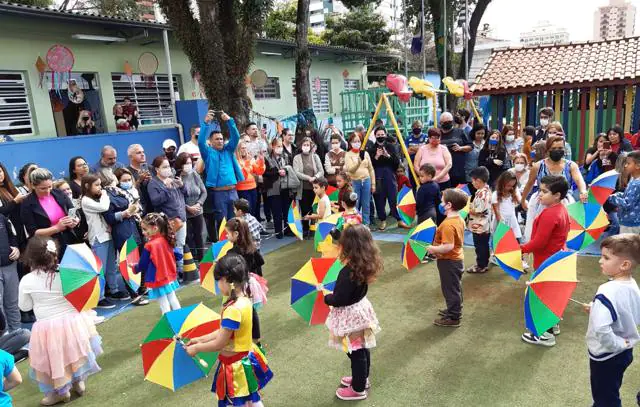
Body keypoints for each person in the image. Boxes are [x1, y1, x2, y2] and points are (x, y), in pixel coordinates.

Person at [18, 237, 102, 405]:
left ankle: (59, 392)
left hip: (47, 326)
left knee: (54, 360)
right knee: (73, 352)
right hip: (73, 323)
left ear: (31, 257)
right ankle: (78, 383)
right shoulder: (67, 273)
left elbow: (24, 306)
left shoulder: (27, 280)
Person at [185, 254, 272, 407]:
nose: (218, 285)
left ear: (227, 280)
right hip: (243, 359)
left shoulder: (233, 308)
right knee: (252, 399)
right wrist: (200, 339)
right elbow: (223, 331)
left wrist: (197, 348)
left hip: (236, 365)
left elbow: (220, 342)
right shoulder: (243, 299)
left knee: (242, 401)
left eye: (219, 280)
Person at [324, 225, 381, 401]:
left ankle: (358, 388)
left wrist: (327, 298)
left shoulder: (347, 272)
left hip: (351, 316)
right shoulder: (363, 265)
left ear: (348, 247)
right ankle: (362, 379)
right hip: (359, 310)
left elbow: (340, 298)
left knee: (355, 352)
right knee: (361, 349)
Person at [584, 234, 640, 407]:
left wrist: (615, 344)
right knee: (611, 388)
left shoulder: (606, 291)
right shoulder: (632, 285)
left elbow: (601, 329)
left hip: (607, 354)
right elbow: (624, 311)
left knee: (604, 397)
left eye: (606, 257)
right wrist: (596, 308)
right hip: (625, 351)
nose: (600, 261)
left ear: (624, 264)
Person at [520, 175, 570, 347]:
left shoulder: (550, 213)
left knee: (542, 297)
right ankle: (553, 324)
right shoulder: (561, 209)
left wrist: (521, 249)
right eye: (539, 190)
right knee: (551, 296)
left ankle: (545, 335)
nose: (539, 195)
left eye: (544, 191)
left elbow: (539, 242)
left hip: (546, 261)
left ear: (557, 195)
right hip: (556, 259)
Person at [521, 136, 588, 241]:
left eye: (560, 148)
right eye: (554, 149)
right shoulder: (538, 166)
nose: (557, 151)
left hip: (564, 203)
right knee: (538, 235)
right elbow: (529, 184)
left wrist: (583, 191)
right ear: (548, 150)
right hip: (541, 203)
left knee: (563, 235)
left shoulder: (571, 165)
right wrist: (523, 200)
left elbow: (580, 180)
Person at [99, 169, 148, 305]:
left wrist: (135, 209)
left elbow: (136, 205)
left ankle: (142, 287)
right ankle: (134, 294)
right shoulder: (106, 195)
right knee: (127, 262)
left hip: (134, 228)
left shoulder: (120, 191)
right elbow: (109, 217)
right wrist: (125, 213)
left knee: (139, 258)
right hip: (122, 231)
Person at [81, 173, 130, 303]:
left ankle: (113, 290)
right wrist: (105, 194)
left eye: (100, 185)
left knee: (111, 266)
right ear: (87, 186)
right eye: (96, 185)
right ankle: (100, 296)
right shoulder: (86, 200)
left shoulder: (97, 198)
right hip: (98, 238)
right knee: (99, 269)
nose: (100, 188)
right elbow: (104, 207)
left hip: (107, 235)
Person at [428, 189, 468, 327]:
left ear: (449, 205)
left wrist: (432, 249)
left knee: (450, 289)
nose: (440, 203)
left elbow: (448, 246)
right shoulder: (459, 219)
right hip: (455, 259)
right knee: (455, 287)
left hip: (449, 261)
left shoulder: (447, 225)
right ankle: (454, 309)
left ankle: (454, 317)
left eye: (442, 201)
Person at [20, 168, 81, 258]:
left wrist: (75, 220)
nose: (48, 191)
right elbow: (33, 233)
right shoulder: (27, 204)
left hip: (69, 239)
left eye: (50, 186)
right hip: (47, 246)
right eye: (43, 188)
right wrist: (56, 228)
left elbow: (73, 212)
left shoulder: (59, 193)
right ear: (33, 185)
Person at [199, 110, 244, 224]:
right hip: (219, 194)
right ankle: (224, 242)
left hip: (233, 192)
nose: (220, 141)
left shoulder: (228, 150)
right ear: (210, 141)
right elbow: (200, 142)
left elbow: (236, 137)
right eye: (217, 139)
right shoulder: (208, 153)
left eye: (221, 139)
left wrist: (229, 121)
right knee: (222, 223)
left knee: (235, 222)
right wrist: (206, 123)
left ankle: (235, 242)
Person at [148, 156, 187, 276]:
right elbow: (155, 201)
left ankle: (180, 271)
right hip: (168, 221)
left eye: (168, 166)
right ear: (157, 169)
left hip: (181, 218)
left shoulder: (172, 180)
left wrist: (181, 186)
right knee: (169, 247)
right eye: (164, 167)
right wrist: (167, 189)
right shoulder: (153, 183)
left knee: (180, 245)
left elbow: (186, 195)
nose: (167, 169)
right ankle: (172, 272)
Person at [134, 213, 181, 314]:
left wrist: (134, 268)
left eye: (145, 229)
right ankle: (180, 319)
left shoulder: (149, 245)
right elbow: (178, 255)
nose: (143, 232)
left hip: (157, 277)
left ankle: (168, 323)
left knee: (163, 303)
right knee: (172, 298)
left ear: (155, 228)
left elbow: (142, 264)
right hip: (169, 276)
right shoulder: (167, 239)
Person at [368, 127, 401, 230]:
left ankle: (398, 218)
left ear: (386, 135)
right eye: (378, 135)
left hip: (390, 175)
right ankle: (382, 219)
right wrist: (376, 157)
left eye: (382, 134)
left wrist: (388, 156)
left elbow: (396, 162)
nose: (380, 136)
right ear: (375, 136)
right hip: (377, 176)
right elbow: (370, 165)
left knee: (393, 197)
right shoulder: (371, 149)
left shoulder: (391, 147)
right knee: (379, 199)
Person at [264, 138, 298, 239]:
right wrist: (277, 172)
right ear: (273, 147)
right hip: (273, 188)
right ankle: (279, 232)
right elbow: (265, 173)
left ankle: (288, 230)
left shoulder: (286, 157)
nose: (280, 149)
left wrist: (286, 171)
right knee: (276, 211)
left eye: (281, 146)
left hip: (285, 187)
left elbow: (290, 169)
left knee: (286, 210)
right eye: (278, 146)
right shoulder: (267, 158)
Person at [175, 153, 206, 261]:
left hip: (198, 210)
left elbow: (203, 192)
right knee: (188, 237)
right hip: (184, 212)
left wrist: (199, 204)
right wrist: (188, 207)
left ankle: (202, 258)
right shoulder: (176, 177)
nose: (188, 165)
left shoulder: (194, 174)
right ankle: (191, 259)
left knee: (199, 235)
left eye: (190, 163)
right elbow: (176, 197)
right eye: (186, 163)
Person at [293, 137, 325, 236]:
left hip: (315, 189)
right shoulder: (297, 157)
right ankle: (306, 228)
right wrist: (308, 178)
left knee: (315, 209)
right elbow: (296, 172)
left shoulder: (315, 156)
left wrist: (315, 177)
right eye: (304, 145)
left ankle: (313, 229)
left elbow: (321, 171)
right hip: (303, 189)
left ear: (311, 146)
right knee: (305, 209)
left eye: (308, 145)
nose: (306, 147)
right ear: (301, 146)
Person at [344, 133, 375, 226]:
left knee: (366, 204)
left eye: (358, 141)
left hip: (366, 180)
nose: (357, 143)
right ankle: (355, 224)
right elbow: (350, 170)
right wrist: (358, 162)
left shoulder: (365, 153)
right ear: (350, 143)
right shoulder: (348, 154)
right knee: (355, 204)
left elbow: (371, 169)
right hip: (355, 181)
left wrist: (373, 184)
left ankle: (366, 224)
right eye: (354, 141)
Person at [467, 166, 492, 274]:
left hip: (480, 225)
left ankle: (481, 265)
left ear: (478, 180)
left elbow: (478, 210)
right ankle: (484, 263)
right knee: (483, 244)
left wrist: (467, 208)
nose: (472, 183)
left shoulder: (482, 193)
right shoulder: (485, 190)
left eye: (472, 180)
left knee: (480, 245)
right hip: (483, 224)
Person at [607, 151, 640, 234]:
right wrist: (618, 194)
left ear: (637, 165)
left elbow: (627, 204)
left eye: (628, 163)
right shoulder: (633, 179)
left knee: (628, 246)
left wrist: (611, 197)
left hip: (631, 224)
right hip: (627, 220)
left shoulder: (637, 183)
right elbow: (627, 195)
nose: (625, 166)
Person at [439, 112, 472, 186]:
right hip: (442, 173)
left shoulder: (460, 132)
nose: (448, 123)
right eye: (445, 122)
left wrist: (461, 148)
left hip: (458, 172)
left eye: (450, 122)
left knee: (460, 195)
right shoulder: (437, 134)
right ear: (440, 123)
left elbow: (470, 146)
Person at [0, 162, 28, 251]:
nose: (0, 175)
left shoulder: (12, 187)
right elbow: (1, 213)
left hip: (22, 229)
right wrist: (15, 201)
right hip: (9, 233)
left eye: (0, 171)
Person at [414, 128, 452, 192]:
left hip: (443, 182)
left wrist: (437, 178)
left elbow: (449, 164)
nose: (435, 140)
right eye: (433, 137)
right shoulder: (422, 149)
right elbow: (416, 165)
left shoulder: (444, 148)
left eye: (437, 138)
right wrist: (423, 177)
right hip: (425, 182)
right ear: (429, 138)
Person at [0, 213, 20, 332]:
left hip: (10, 266)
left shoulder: (2, 217)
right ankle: (5, 339)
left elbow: (13, 236)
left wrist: (16, 248)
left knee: (13, 303)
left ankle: (17, 335)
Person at [235, 140, 265, 219]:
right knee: (247, 211)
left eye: (245, 148)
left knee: (253, 210)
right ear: (237, 149)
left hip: (253, 187)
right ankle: (246, 229)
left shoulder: (249, 159)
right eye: (242, 148)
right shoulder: (237, 161)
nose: (244, 150)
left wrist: (261, 160)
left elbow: (259, 171)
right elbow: (242, 176)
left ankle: (253, 228)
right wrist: (248, 162)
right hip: (242, 189)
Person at [126, 144, 153, 214]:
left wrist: (152, 181)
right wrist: (139, 180)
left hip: (155, 206)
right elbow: (127, 192)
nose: (142, 154)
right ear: (130, 157)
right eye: (139, 153)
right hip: (141, 209)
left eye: (143, 152)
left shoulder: (151, 168)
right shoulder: (127, 172)